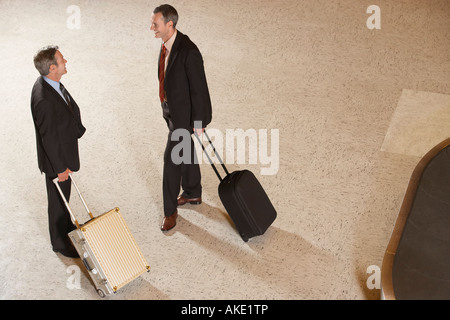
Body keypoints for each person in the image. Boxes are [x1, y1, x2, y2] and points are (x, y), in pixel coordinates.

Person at [150, 4, 212, 231]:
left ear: (170, 24)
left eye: (155, 24)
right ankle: (193, 192)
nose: (151, 28)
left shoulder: (189, 51)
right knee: (186, 150)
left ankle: (169, 212)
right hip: (171, 111)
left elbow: (200, 90)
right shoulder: (166, 44)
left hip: (184, 118)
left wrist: (199, 123)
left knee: (171, 161)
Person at [31, 46, 86, 258]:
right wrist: (60, 167)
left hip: (63, 154)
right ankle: (60, 243)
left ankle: (66, 227)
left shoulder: (50, 83)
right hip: (57, 161)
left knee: (64, 198)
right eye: (62, 60)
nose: (66, 61)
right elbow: (49, 139)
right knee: (57, 201)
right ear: (52, 68)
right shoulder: (44, 99)